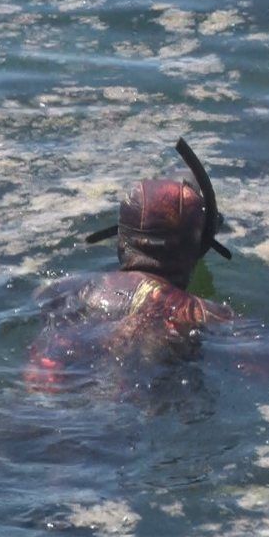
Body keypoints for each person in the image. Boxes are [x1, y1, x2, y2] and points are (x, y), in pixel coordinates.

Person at [24, 139, 238, 392]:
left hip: (42, 395)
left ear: (122, 238)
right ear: (197, 247)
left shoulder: (59, 291)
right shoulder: (204, 315)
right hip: (132, 405)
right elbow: (266, 368)